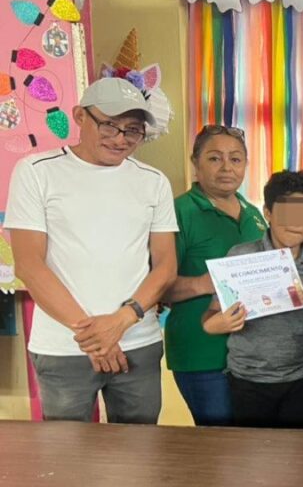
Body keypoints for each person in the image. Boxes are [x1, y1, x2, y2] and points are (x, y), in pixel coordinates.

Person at [7, 77, 177, 423]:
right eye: (109, 125)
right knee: (67, 450)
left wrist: (122, 321)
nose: (120, 139)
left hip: (137, 342)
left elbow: (165, 266)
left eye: (133, 130)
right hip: (64, 347)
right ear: (80, 116)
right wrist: (96, 337)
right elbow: (29, 265)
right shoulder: (36, 173)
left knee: (139, 448)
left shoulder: (153, 181)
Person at [202, 170, 303, 429]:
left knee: (302, 448)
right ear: (268, 213)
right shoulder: (240, 256)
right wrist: (218, 323)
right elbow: (211, 315)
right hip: (248, 378)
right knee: (254, 449)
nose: (295, 223)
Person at [163, 125, 266, 426]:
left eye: (235, 159)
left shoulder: (254, 214)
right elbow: (154, 287)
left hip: (251, 354)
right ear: (195, 162)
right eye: (214, 158)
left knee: (250, 441)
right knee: (219, 442)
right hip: (202, 353)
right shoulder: (179, 212)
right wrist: (204, 283)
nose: (226, 167)